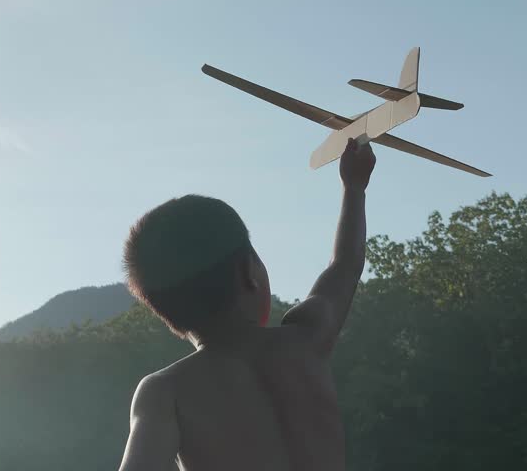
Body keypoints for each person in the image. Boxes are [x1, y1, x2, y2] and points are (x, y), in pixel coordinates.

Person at [118, 137, 377, 471]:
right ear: (249, 274)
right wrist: (354, 187)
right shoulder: (304, 338)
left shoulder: (165, 392)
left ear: (167, 315)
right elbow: (345, 264)